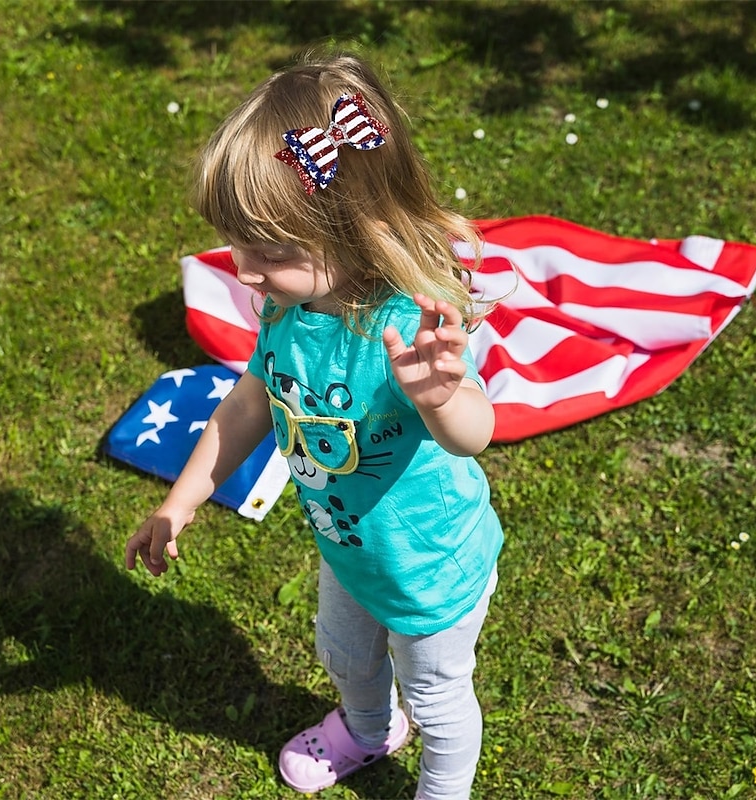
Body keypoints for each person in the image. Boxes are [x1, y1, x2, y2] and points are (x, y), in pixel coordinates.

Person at [125, 52, 504, 800]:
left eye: (270, 255)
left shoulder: (410, 329)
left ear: (361, 232)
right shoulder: (288, 310)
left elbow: (475, 434)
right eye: (239, 248)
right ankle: (368, 730)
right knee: (345, 654)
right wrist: (182, 500)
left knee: (437, 697)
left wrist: (440, 396)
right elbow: (249, 401)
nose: (246, 273)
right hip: (349, 548)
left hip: (430, 568)